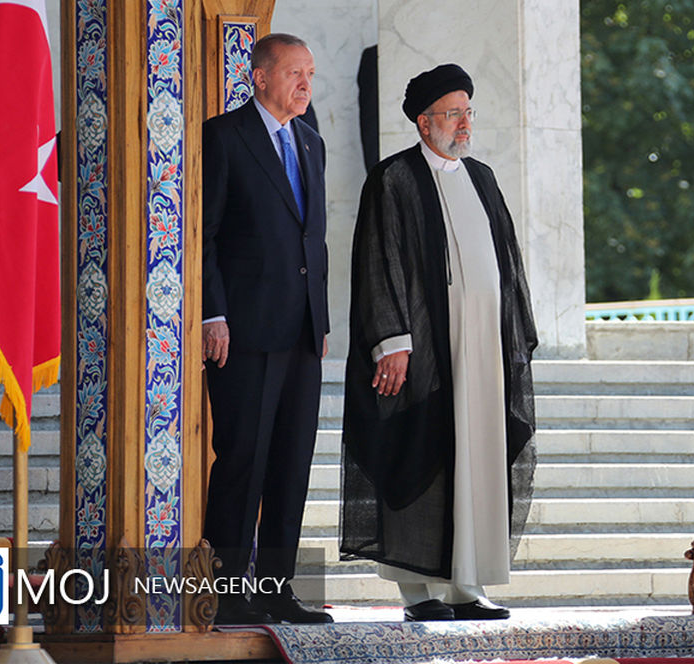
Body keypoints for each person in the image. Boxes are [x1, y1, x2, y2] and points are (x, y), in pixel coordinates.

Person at [339, 63, 537, 622]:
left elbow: (508, 265)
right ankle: (419, 592)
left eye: (468, 112)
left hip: (483, 351)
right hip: (426, 353)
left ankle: (466, 586)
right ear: (424, 123)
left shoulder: (483, 177)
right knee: (422, 454)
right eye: (453, 114)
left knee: (478, 459)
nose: (464, 124)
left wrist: (514, 335)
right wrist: (392, 342)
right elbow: (379, 262)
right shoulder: (394, 178)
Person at [201, 33, 332, 625]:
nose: (305, 84)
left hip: (302, 331)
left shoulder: (311, 140)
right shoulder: (223, 136)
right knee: (242, 460)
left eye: (310, 73)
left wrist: (320, 318)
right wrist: (213, 313)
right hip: (244, 332)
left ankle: (277, 592)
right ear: (259, 77)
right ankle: (224, 594)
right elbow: (203, 235)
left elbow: (314, 240)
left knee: (290, 463)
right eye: (294, 73)